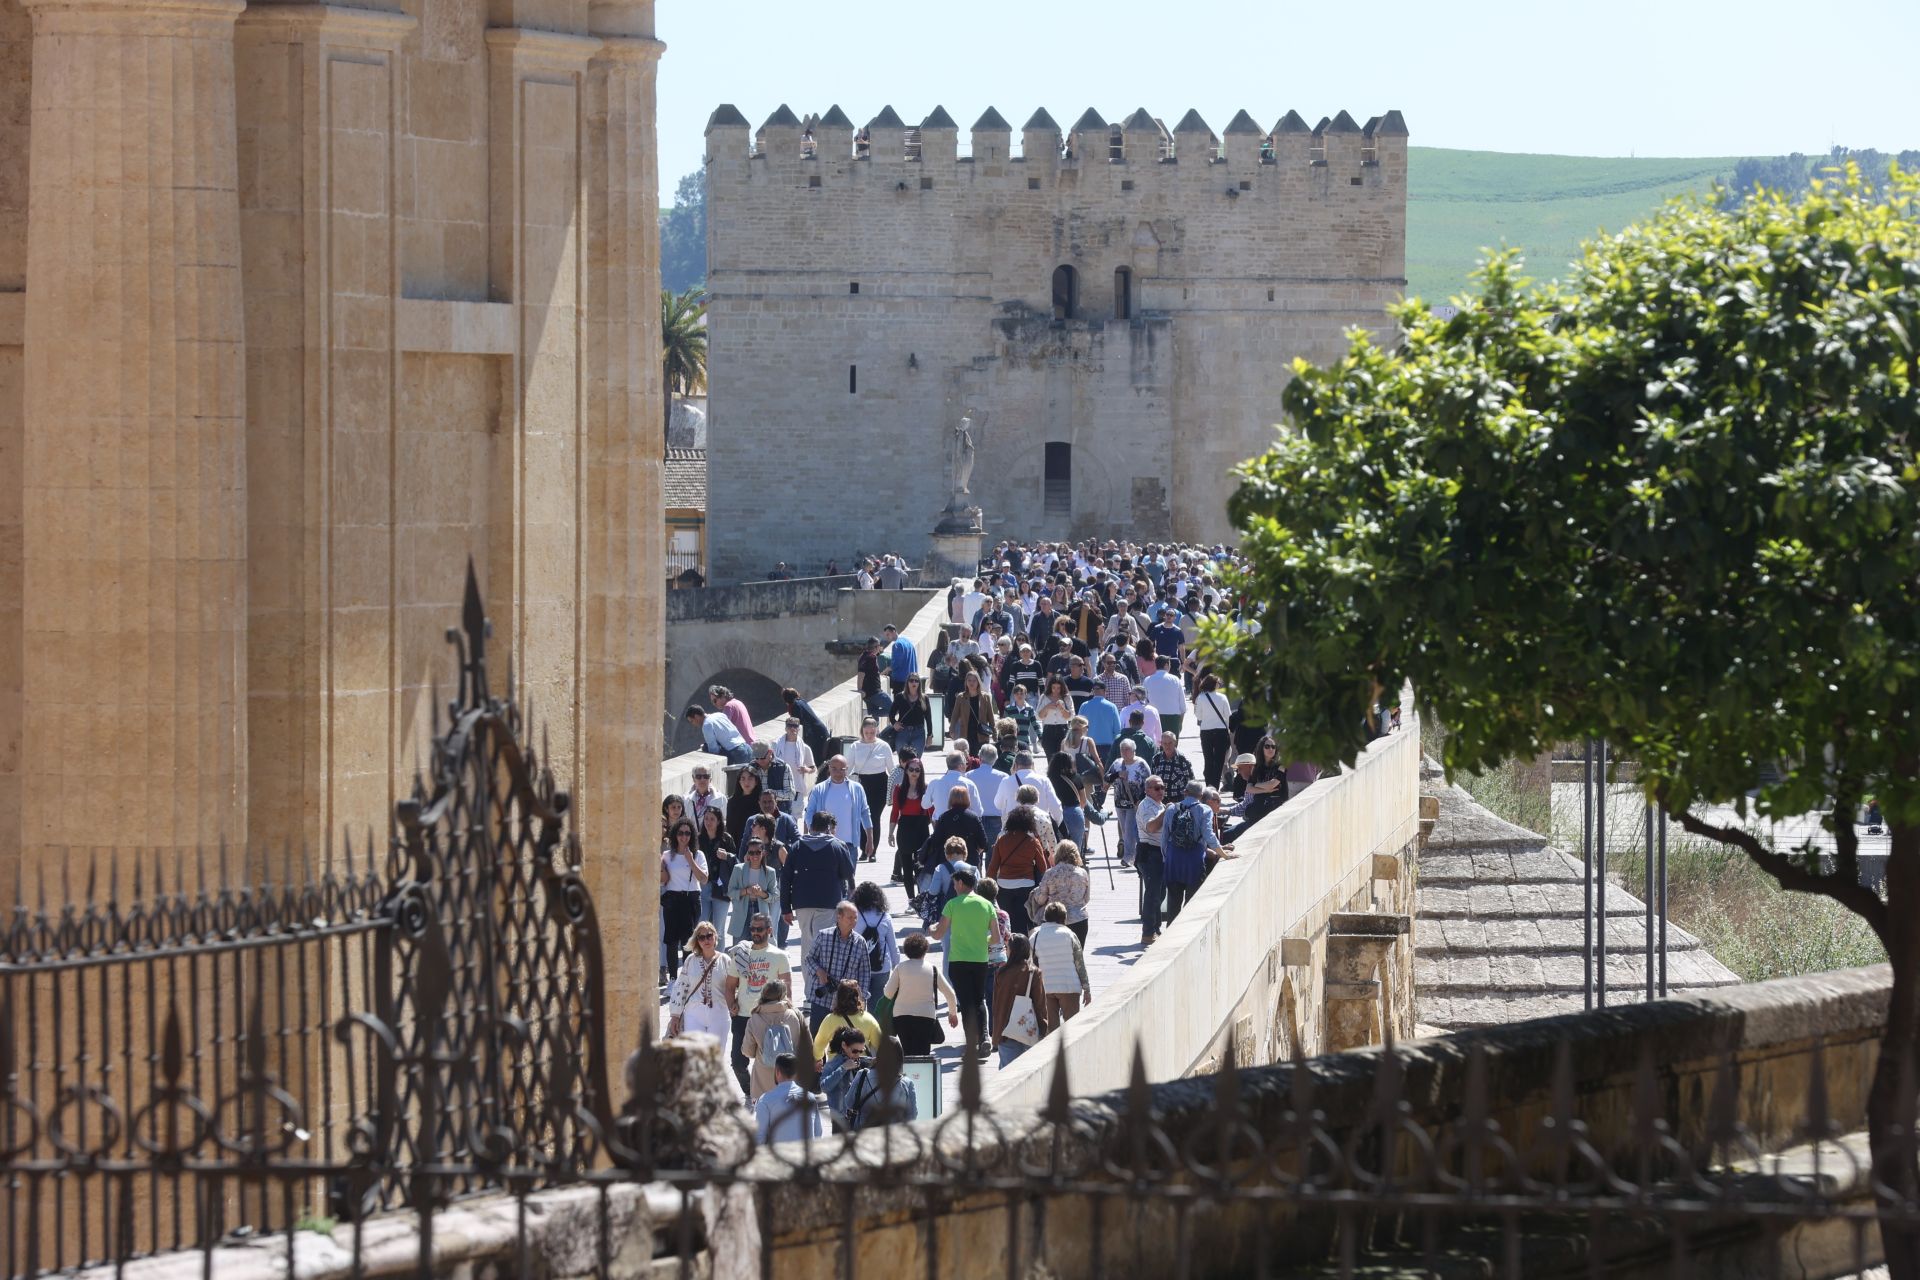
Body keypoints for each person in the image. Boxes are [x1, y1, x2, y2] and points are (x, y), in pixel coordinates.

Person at [724, 910, 790, 1092]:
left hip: (770, 1017)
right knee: (737, 1063)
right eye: (752, 929)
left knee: (774, 1063)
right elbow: (729, 986)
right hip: (743, 1016)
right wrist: (732, 1005)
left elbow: (787, 987)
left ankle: (773, 1095)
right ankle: (750, 1091)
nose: (755, 933)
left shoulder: (779, 956)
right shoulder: (741, 955)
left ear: (769, 930)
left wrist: (787, 1011)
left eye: (759, 929)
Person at [931, 868, 995, 1053]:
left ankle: (971, 1042)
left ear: (960, 883)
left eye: (954, 884)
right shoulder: (987, 904)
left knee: (966, 1002)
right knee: (979, 999)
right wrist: (982, 940)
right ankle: (984, 1035)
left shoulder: (952, 904)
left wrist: (931, 930)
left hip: (959, 961)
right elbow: (997, 938)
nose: (954, 887)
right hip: (980, 959)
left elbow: (939, 933)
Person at [781, 813, 857, 945]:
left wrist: (785, 908)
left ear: (810, 826)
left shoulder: (797, 847)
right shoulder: (837, 846)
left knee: (807, 942)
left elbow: (786, 878)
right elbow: (848, 875)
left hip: (802, 903)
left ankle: (807, 966)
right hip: (828, 903)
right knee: (823, 943)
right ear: (829, 827)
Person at [883, 932, 959, 1056]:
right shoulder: (933, 969)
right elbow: (950, 994)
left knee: (907, 1052)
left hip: (902, 1016)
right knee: (923, 1053)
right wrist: (952, 1014)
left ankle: (907, 1074)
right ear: (925, 950)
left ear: (906, 951)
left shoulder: (900, 968)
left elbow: (888, 993)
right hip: (926, 1016)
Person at [740, 976, 811, 1102]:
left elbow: (747, 1051)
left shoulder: (754, 1019)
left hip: (763, 1079)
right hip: (792, 1076)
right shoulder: (794, 1014)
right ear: (783, 995)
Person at [805, 905, 873, 1033]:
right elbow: (809, 959)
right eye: (849, 918)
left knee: (844, 1043)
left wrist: (861, 997)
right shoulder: (823, 936)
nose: (853, 921)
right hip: (822, 1000)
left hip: (847, 1003)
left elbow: (865, 972)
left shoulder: (860, 942)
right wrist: (819, 971)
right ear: (839, 917)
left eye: (855, 918)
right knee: (817, 1038)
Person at [986, 806, 1052, 936]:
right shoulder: (1033, 842)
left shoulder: (1002, 840)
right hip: (1026, 886)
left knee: (1006, 922)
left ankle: (1009, 950)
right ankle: (1023, 951)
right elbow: (1043, 867)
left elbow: (992, 868)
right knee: (1022, 924)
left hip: (1004, 886)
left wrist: (989, 890)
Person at [1163, 780, 1223, 923]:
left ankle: (1170, 936)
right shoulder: (1205, 810)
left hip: (1174, 859)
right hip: (1194, 860)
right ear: (1201, 795)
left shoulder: (1171, 809)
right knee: (1191, 904)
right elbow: (1209, 835)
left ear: (1185, 792)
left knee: (1173, 904)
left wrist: (1166, 858)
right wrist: (1223, 854)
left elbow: (1164, 838)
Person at [989, 934, 1049, 1069]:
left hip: (1006, 1030)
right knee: (1028, 1070)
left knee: (1007, 1071)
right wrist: (1044, 1029)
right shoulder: (1033, 973)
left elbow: (996, 1004)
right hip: (1028, 1029)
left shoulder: (1001, 972)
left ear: (1012, 950)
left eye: (1007, 947)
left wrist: (996, 1031)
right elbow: (1040, 1005)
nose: (1006, 950)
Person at [666, 922, 731, 1046]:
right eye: (701, 937)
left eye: (709, 936)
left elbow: (733, 987)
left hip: (719, 1012)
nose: (706, 940)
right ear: (697, 940)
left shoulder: (725, 960)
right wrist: (675, 1015)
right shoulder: (690, 960)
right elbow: (680, 988)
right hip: (694, 1013)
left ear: (715, 937)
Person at [1030, 902, 1091, 1026]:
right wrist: (1086, 988)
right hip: (1069, 986)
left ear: (1045, 917)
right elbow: (1079, 963)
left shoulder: (1035, 936)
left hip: (1046, 987)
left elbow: (1030, 964)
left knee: (1051, 1029)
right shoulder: (1069, 934)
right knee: (1071, 1028)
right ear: (1064, 918)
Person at [659, 819, 706, 978]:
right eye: (680, 833)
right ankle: (673, 978)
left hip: (690, 898)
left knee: (688, 942)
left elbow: (704, 879)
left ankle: (686, 978)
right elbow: (662, 879)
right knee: (671, 941)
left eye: (687, 833)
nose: (684, 836)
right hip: (672, 899)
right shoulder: (666, 855)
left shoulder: (698, 855)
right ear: (675, 834)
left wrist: (690, 860)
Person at [804, 755, 874, 859]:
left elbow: (865, 814)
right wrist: (813, 833)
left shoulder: (857, 789)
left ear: (847, 769)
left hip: (849, 846)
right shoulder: (818, 789)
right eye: (834, 769)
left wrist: (870, 839)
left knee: (849, 876)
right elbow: (809, 813)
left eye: (842, 769)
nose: (838, 772)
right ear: (829, 768)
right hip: (824, 845)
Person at [843, 1035, 919, 1129]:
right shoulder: (907, 1083)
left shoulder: (862, 1075)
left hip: (864, 1134)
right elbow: (912, 1116)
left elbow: (849, 1103)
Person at [754, 1053, 828, 1145]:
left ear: (777, 1072)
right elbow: (818, 1132)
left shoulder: (765, 1100)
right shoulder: (810, 1098)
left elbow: (759, 1137)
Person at [811, 976, 884, 1068]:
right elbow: (881, 1045)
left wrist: (818, 1059)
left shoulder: (830, 1019)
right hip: (861, 1068)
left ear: (838, 998)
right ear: (858, 998)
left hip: (836, 1068)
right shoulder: (869, 1019)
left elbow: (819, 1044)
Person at [1028, 841, 1091, 944]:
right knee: (1076, 956)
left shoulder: (1050, 873)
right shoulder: (1082, 873)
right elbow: (1086, 898)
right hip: (1078, 920)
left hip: (1053, 919)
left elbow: (1040, 900)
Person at [921, 787, 988, 878]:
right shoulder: (973, 817)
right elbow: (984, 842)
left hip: (947, 863)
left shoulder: (944, 817)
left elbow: (936, 841)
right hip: (970, 861)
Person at [852, 880, 900, 1007]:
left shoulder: (855, 916)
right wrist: (896, 967)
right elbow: (893, 945)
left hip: (859, 968)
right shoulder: (885, 917)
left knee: (858, 1005)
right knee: (877, 1006)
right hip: (882, 967)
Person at [888, 751, 933, 882]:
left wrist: (937, 833)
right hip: (905, 828)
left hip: (921, 829)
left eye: (917, 770)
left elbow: (932, 812)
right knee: (907, 869)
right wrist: (890, 833)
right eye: (911, 769)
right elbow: (895, 812)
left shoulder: (926, 788)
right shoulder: (899, 789)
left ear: (921, 772)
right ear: (906, 771)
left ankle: (920, 896)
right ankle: (911, 899)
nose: (914, 772)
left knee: (920, 867)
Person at [1106, 739, 1151, 868]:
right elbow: (1107, 778)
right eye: (1122, 750)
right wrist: (1118, 774)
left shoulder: (1141, 764)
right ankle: (1136, 855)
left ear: (1133, 751)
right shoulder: (1117, 763)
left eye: (1127, 749)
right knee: (1126, 831)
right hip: (1120, 803)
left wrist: (1141, 798)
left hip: (1134, 804)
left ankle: (1128, 857)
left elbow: (1149, 783)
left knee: (1130, 829)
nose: (1124, 752)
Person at [727, 840, 783, 941]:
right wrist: (746, 891)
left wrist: (761, 893)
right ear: (748, 854)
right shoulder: (738, 869)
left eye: (758, 852)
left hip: (760, 911)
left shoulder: (770, 872)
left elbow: (774, 896)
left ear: (763, 853)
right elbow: (730, 892)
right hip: (742, 910)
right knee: (740, 949)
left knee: (760, 948)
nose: (754, 855)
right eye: (751, 853)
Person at [1136, 775, 1168, 946]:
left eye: (1162, 787)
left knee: (1159, 893)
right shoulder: (1147, 805)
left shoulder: (1157, 804)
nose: (1161, 791)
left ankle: (1155, 928)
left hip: (1158, 854)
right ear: (1147, 790)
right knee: (1153, 894)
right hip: (1150, 853)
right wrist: (1165, 813)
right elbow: (1151, 827)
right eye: (1157, 788)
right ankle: (1148, 932)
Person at [696, 805, 736, 942]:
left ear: (719, 821)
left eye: (712, 819)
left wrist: (727, 856)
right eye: (706, 818)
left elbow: (737, 863)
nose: (708, 822)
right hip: (703, 886)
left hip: (721, 888)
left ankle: (719, 961)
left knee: (718, 930)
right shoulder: (698, 839)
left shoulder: (726, 839)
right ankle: (702, 958)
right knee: (701, 927)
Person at [995, 751, 1062, 825]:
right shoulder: (1044, 781)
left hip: (1014, 828)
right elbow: (1055, 805)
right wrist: (1056, 822)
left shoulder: (1006, 781)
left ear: (1015, 765)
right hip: (1039, 826)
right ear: (1033, 764)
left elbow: (998, 804)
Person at [1193, 674, 1233, 788]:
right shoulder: (1222, 697)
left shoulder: (1200, 698)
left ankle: (1209, 785)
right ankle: (1215, 786)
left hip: (1206, 731)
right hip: (1221, 731)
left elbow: (1198, 716)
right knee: (1219, 760)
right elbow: (1228, 715)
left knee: (1208, 759)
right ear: (1215, 684)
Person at [965, 745, 1008, 845]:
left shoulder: (968, 775)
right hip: (996, 819)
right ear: (995, 758)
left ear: (980, 757)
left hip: (974, 818)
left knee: (975, 854)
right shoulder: (1003, 777)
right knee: (993, 855)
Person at [771, 717, 816, 810]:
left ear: (799, 728)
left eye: (795, 726)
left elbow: (813, 768)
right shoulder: (776, 745)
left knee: (794, 819)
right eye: (790, 726)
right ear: (785, 728)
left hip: (797, 789)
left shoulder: (804, 748)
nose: (792, 728)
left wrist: (806, 769)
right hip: (780, 789)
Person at [685, 705, 752, 767]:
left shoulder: (706, 725)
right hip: (747, 748)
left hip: (737, 753)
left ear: (696, 716)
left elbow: (714, 749)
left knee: (739, 778)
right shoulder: (719, 715)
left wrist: (705, 748)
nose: (693, 724)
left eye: (692, 721)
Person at [946, 668, 994, 751]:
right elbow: (955, 715)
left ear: (978, 682)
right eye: (969, 680)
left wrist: (994, 732)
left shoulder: (985, 697)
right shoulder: (961, 697)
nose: (971, 683)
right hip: (966, 733)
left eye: (974, 680)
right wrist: (952, 729)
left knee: (980, 759)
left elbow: (991, 716)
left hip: (981, 733)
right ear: (966, 682)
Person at [782, 687, 831, 766]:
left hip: (817, 736)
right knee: (821, 762)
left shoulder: (795, 706)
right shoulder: (801, 702)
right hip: (821, 732)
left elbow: (797, 724)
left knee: (820, 763)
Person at [1049, 750, 1088, 849]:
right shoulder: (1076, 778)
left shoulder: (1048, 779)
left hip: (1055, 814)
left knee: (1058, 847)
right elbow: (1083, 801)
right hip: (1074, 812)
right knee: (1075, 848)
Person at [926, 752, 981, 822]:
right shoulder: (969, 783)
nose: (966, 765)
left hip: (941, 824)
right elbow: (978, 811)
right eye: (966, 763)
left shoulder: (934, 782)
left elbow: (925, 805)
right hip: (963, 824)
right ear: (961, 765)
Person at [889, 674, 932, 756]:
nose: (914, 683)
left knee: (915, 761)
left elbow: (928, 718)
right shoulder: (900, 697)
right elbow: (891, 714)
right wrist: (894, 723)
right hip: (902, 731)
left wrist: (930, 735)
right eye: (911, 680)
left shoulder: (924, 698)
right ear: (907, 683)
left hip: (918, 732)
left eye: (916, 681)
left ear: (919, 683)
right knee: (903, 760)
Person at [723, 764, 764, 848]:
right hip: (736, 844)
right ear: (739, 781)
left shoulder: (762, 802)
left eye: (750, 778)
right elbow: (730, 827)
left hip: (756, 846)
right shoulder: (732, 801)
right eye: (743, 778)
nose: (746, 782)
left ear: (756, 781)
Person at [1143, 664, 1187, 739]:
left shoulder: (1147, 680)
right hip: (1172, 717)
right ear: (1166, 665)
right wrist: (1180, 721)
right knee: (1171, 745)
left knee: (1156, 744)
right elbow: (1182, 702)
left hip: (1154, 716)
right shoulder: (1175, 679)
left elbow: (1144, 701)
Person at [1036, 677, 1074, 758]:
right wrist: (1047, 707)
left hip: (1062, 729)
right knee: (1051, 759)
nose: (1056, 690)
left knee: (1063, 758)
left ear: (1062, 687)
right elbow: (1038, 717)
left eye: (1058, 688)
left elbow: (1071, 717)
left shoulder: (1066, 697)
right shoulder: (1044, 697)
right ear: (1050, 687)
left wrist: (1062, 708)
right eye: (1053, 688)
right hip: (1048, 730)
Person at [882, 623, 918, 694]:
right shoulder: (908, 642)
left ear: (894, 632)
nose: (887, 637)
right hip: (912, 679)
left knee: (899, 703)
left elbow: (895, 664)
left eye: (888, 634)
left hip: (900, 681)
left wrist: (886, 670)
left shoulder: (897, 645)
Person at [857, 637, 886, 716]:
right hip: (875, 693)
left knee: (874, 721)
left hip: (868, 694)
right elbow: (861, 673)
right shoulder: (871, 657)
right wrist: (859, 689)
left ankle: (871, 715)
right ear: (876, 647)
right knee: (893, 709)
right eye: (879, 646)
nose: (880, 648)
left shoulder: (863, 656)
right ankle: (870, 713)